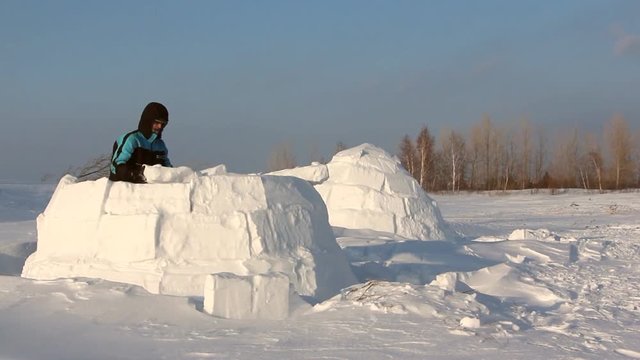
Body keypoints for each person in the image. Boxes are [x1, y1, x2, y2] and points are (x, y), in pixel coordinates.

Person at [109, 102, 172, 183]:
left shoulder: (160, 145)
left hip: (152, 192)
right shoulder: (132, 140)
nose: (160, 126)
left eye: (163, 124)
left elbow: (168, 169)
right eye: (157, 122)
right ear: (148, 121)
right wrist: (134, 174)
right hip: (125, 189)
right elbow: (116, 166)